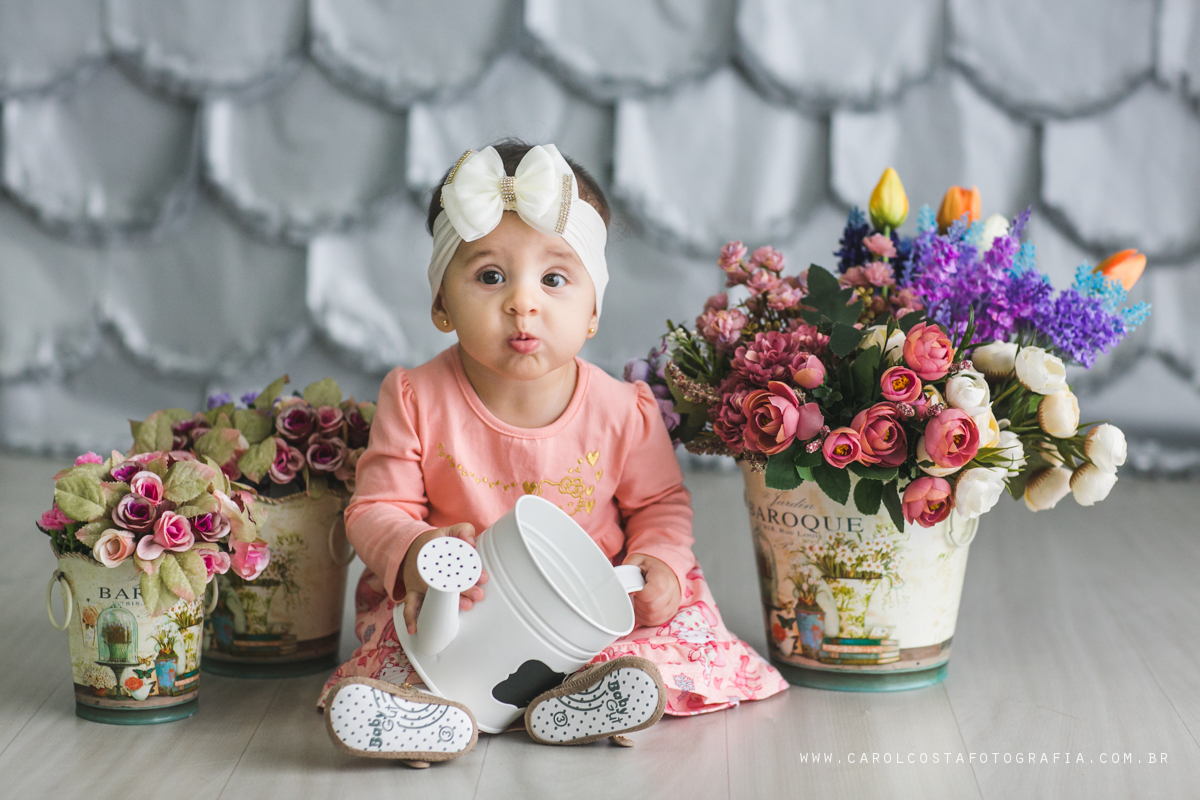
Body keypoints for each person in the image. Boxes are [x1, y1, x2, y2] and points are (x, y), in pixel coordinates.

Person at [320, 140, 786, 766]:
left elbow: (659, 503)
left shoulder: (624, 409)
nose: (523, 301)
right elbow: (374, 507)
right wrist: (416, 551)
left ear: (592, 309)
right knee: (404, 646)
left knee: (664, 634)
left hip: (588, 604)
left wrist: (660, 561)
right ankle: (426, 715)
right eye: (490, 276)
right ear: (440, 303)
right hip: (459, 604)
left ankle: (587, 701)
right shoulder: (416, 396)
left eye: (555, 278)